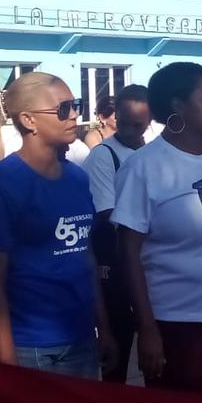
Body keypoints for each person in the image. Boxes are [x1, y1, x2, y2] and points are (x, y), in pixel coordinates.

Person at [114, 63, 202, 396]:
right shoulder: (144, 167)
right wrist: (147, 328)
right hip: (180, 323)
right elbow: (129, 254)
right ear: (179, 106)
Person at [0, 72, 114, 379]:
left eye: (76, 105)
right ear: (29, 120)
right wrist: (8, 364)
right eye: (63, 108)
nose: (74, 115)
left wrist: (104, 329)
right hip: (31, 348)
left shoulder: (77, 178)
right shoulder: (2, 184)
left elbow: (86, 257)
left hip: (82, 337)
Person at [83, 84, 152, 383]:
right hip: (117, 262)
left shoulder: (152, 153)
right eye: (125, 122)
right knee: (119, 346)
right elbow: (108, 213)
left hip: (149, 261)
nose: (132, 130)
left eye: (139, 123)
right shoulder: (103, 156)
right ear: (114, 119)